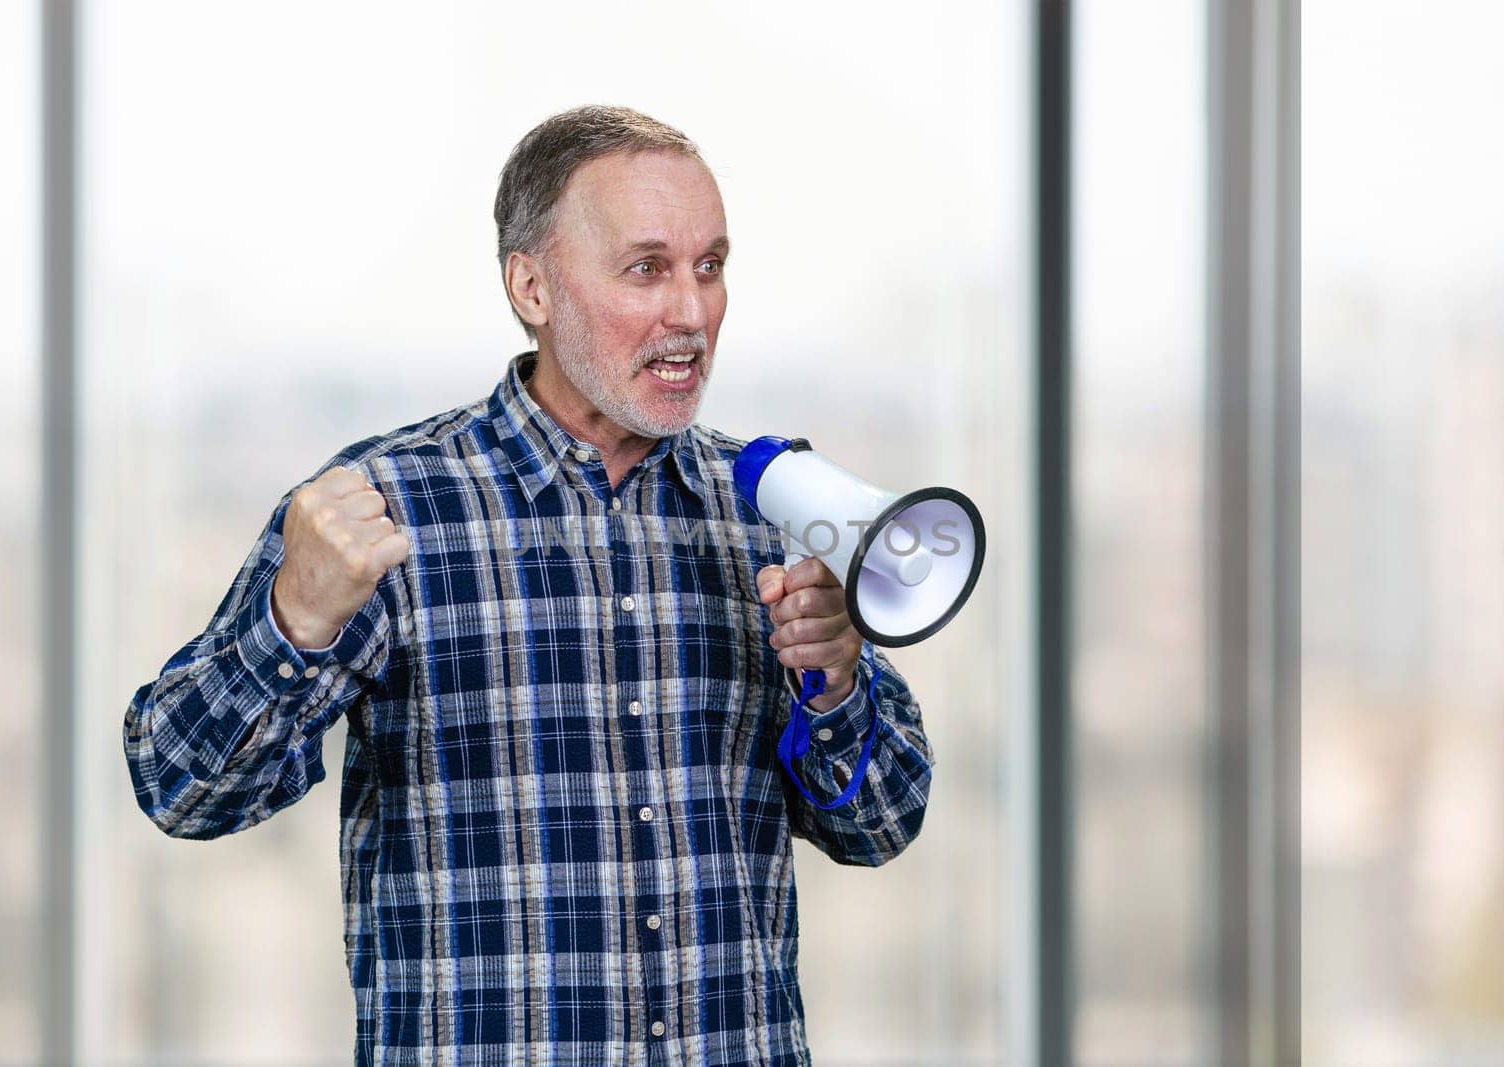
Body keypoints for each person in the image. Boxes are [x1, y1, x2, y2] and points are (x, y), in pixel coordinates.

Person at [123, 105, 934, 1066]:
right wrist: (292, 621)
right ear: (532, 285)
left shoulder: (772, 505)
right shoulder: (386, 510)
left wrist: (838, 682)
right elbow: (179, 787)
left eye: (709, 266)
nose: (691, 312)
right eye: (647, 268)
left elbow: (882, 824)